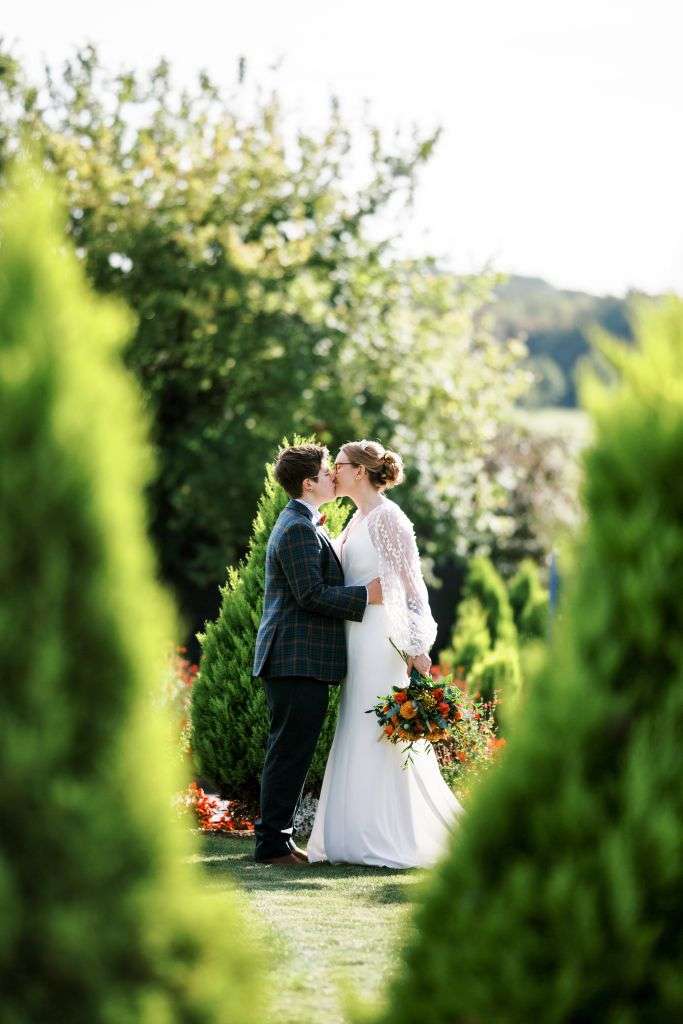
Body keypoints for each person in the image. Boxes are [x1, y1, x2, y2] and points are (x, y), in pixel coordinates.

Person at [306, 440, 463, 869]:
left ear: (359, 471)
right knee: (355, 726)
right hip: (354, 637)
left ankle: (386, 833)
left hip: (380, 639)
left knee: (376, 730)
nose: (332, 472)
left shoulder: (389, 519)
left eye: (338, 465)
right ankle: (352, 835)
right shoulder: (356, 519)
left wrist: (417, 648)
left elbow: (412, 588)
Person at [252, 443, 383, 866]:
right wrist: (367, 596)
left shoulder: (307, 524)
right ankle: (271, 845)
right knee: (289, 751)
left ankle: (281, 839)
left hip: (300, 661)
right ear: (309, 484)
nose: (334, 477)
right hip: (293, 659)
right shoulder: (296, 529)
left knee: (293, 749)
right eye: (327, 473)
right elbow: (309, 594)